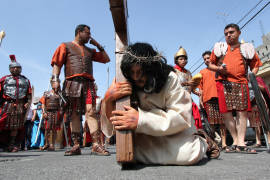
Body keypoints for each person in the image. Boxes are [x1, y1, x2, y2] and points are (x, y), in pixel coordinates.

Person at [101, 42, 219, 165]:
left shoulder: (169, 78)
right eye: (132, 72)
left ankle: (203, 140)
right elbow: (114, 124)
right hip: (143, 136)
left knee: (187, 155)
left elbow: (182, 117)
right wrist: (108, 99)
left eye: (140, 71)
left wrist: (141, 119)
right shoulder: (124, 80)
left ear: (150, 68)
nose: (136, 77)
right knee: (132, 153)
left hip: (172, 131)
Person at [50, 24, 110, 156]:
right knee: (74, 113)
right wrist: (55, 79)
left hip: (88, 84)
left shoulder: (90, 50)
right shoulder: (64, 46)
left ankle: (96, 145)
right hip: (72, 83)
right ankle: (76, 145)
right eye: (87, 33)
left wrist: (98, 45)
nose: (89, 36)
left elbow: (106, 59)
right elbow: (57, 63)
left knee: (91, 112)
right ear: (79, 32)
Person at [207, 23, 262, 153]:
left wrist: (252, 76)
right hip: (223, 82)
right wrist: (219, 69)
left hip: (242, 82)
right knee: (226, 113)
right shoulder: (220, 48)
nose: (228, 35)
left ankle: (241, 143)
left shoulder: (247, 48)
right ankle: (236, 140)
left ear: (239, 33)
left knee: (242, 112)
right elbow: (210, 65)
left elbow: (256, 64)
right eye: (226, 33)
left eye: (231, 32)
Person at [0, 55, 32, 152]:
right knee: (2, 122)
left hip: (20, 105)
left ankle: (12, 144)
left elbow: (29, 93)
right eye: (13, 67)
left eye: (18, 68)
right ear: (10, 69)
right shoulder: (5, 79)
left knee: (16, 125)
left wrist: (28, 102)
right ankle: (2, 144)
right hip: (7, 104)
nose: (16, 69)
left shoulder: (25, 80)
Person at [199, 51, 227, 149]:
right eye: (205, 59)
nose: (206, 60)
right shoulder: (202, 72)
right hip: (208, 99)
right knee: (211, 123)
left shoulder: (219, 69)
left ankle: (224, 143)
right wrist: (200, 100)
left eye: (208, 58)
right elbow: (200, 88)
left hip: (221, 97)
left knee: (223, 122)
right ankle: (214, 143)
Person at [173, 46, 202, 129]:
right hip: (177, 98)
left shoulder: (188, 72)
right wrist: (186, 83)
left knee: (192, 119)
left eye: (185, 59)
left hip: (188, 98)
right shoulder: (173, 70)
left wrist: (197, 92)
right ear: (176, 60)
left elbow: (192, 87)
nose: (183, 61)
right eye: (181, 59)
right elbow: (173, 84)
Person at [39, 77, 62, 151]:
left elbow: (62, 104)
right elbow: (43, 103)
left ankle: (52, 144)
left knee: (54, 129)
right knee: (47, 129)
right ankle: (46, 144)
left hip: (56, 112)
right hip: (48, 112)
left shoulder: (60, 94)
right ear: (52, 84)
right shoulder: (47, 93)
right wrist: (44, 112)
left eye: (58, 83)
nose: (56, 85)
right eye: (55, 83)